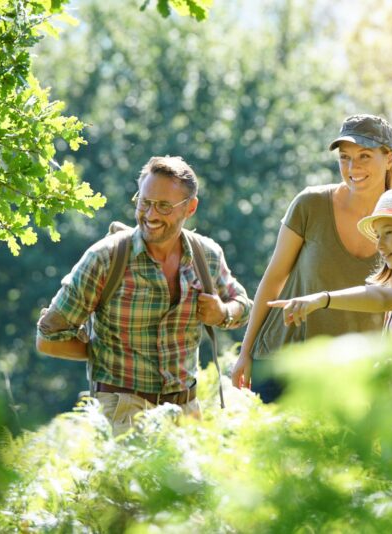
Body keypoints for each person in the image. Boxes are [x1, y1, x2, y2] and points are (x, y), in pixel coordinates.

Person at [37, 156, 252, 435]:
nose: (150, 215)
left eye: (164, 206)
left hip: (186, 414)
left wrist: (223, 313)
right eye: (144, 202)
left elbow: (243, 306)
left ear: (190, 208)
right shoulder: (104, 258)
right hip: (121, 412)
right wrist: (106, 353)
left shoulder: (206, 256)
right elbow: (48, 340)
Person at [231, 114, 392, 402]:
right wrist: (245, 352)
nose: (353, 167)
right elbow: (274, 278)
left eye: (365, 156)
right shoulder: (310, 204)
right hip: (281, 362)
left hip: (352, 377)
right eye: (345, 157)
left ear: (388, 157)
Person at [268, 187, 392, 331]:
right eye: (377, 235)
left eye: (388, 232)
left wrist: (321, 299)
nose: (379, 246)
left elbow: (381, 299)